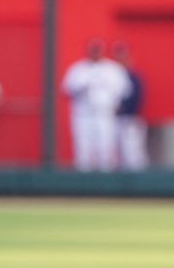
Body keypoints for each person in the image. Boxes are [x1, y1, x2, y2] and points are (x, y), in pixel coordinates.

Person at [61, 39, 131, 172]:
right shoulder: (78, 69)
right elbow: (66, 89)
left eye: (98, 49)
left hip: (105, 114)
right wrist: (81, 87)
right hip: (83, 115)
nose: (95, 52)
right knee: (83, 151)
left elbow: (125, 91)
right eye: (93, 49)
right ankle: (83, 185)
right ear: (88, 51)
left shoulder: (112, 69)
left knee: (106, 150)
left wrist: (118, 105)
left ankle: (107, 185)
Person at [112, 42, 149, 171]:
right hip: (112, 120)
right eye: (118, 58)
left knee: (133, 153)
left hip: (130, 119)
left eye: (123, 57)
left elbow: (137, 97)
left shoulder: (133, 76)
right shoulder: (111, 75)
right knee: (114, 155)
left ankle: (140, 185)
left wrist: (127, 111)